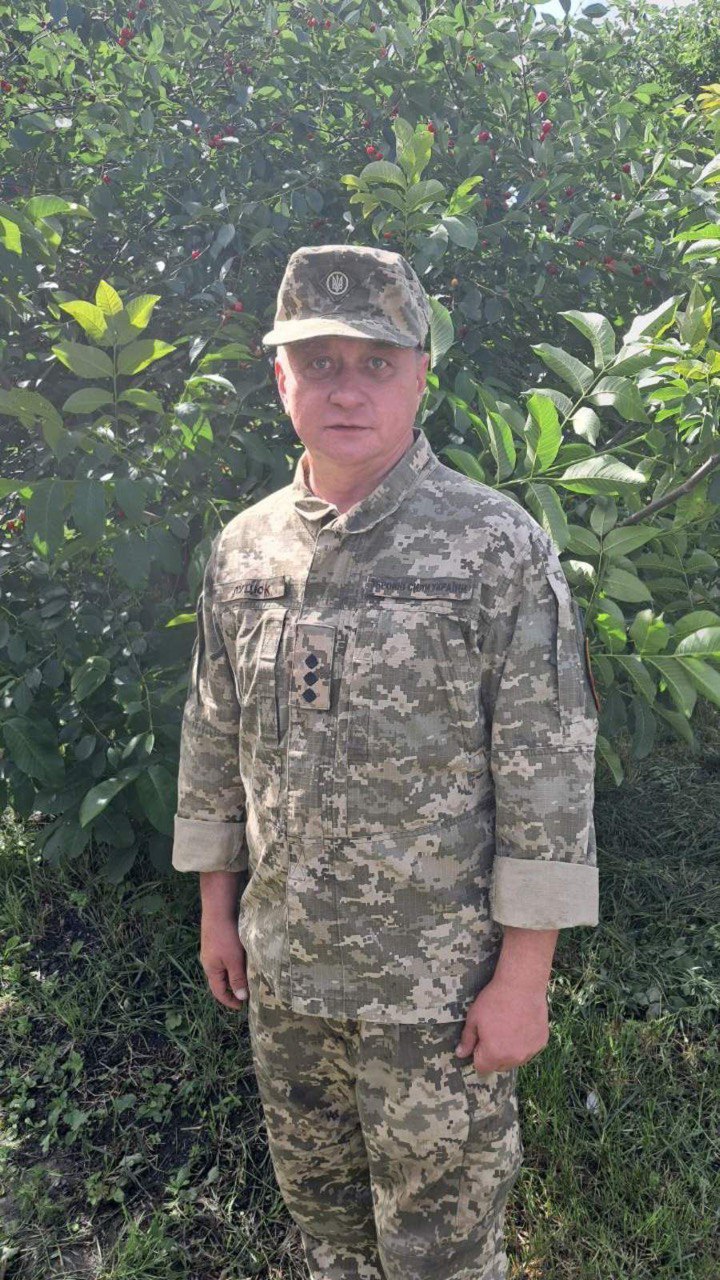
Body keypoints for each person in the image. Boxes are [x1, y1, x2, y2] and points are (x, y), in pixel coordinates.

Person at [171, 244, 599, 1280]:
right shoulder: (245, 551)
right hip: (288, 975)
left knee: (441, 1250)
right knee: (327, 1233)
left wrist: (524, 978)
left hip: (438, 993)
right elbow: (214, 734)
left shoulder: (495, 546)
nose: (346, 388)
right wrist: (218, 910)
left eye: (376, 362)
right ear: (281, 377)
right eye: (319, 362)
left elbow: (548, 771)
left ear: (420, 375)